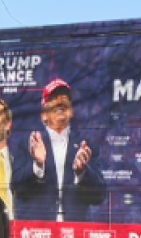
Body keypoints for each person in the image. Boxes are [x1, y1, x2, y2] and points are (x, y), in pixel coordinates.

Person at [21, 78, 106, 222]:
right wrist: (37, 165)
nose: (60, 102)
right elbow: (17, 190)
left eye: (65, 99)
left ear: (71, 111)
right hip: (41, 234)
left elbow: (99, 196)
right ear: (44, 114)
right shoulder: (28, 143)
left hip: (76, 235)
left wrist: (82, 172)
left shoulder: (87, 146)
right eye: (54, 99)